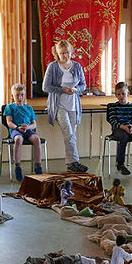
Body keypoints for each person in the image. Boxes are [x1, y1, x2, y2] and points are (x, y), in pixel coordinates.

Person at [42, 39, 87, 173]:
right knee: (68, 133)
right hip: (58, 105)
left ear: (71, 52)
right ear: (57, 53)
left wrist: (76, 90)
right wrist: (62, 89)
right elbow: (46, 87)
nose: (65, 56)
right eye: (62, 53)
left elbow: (83, 85)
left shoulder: (77, 66)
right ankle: (75, 162)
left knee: (72, 135)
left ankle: (71, 164)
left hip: (73, 105)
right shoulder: (53, 67)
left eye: (67, 53)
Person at [3, 84, 42, 181]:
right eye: (17, 95)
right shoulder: (10, 107)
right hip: (16, 130)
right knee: (18, 139)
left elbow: (34, 124)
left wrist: (27, 127)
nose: (20, 97)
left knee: (36, 139)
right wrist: (17, 127)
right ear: (12, 96)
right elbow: (9, 122)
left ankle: (38, 165)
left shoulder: (29, 108)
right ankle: (18, 166)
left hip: (27, 129)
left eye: (22, 95)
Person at [106, 82, 132, 176]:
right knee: (124, 137)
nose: (121, 96)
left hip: (130, 127)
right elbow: (112, 120)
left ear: (128, 94)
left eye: (123, 93)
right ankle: (120, 164)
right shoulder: (113, 107)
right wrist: (123, 127)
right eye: (118, 94)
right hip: (118, 128)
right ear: (116, 95)